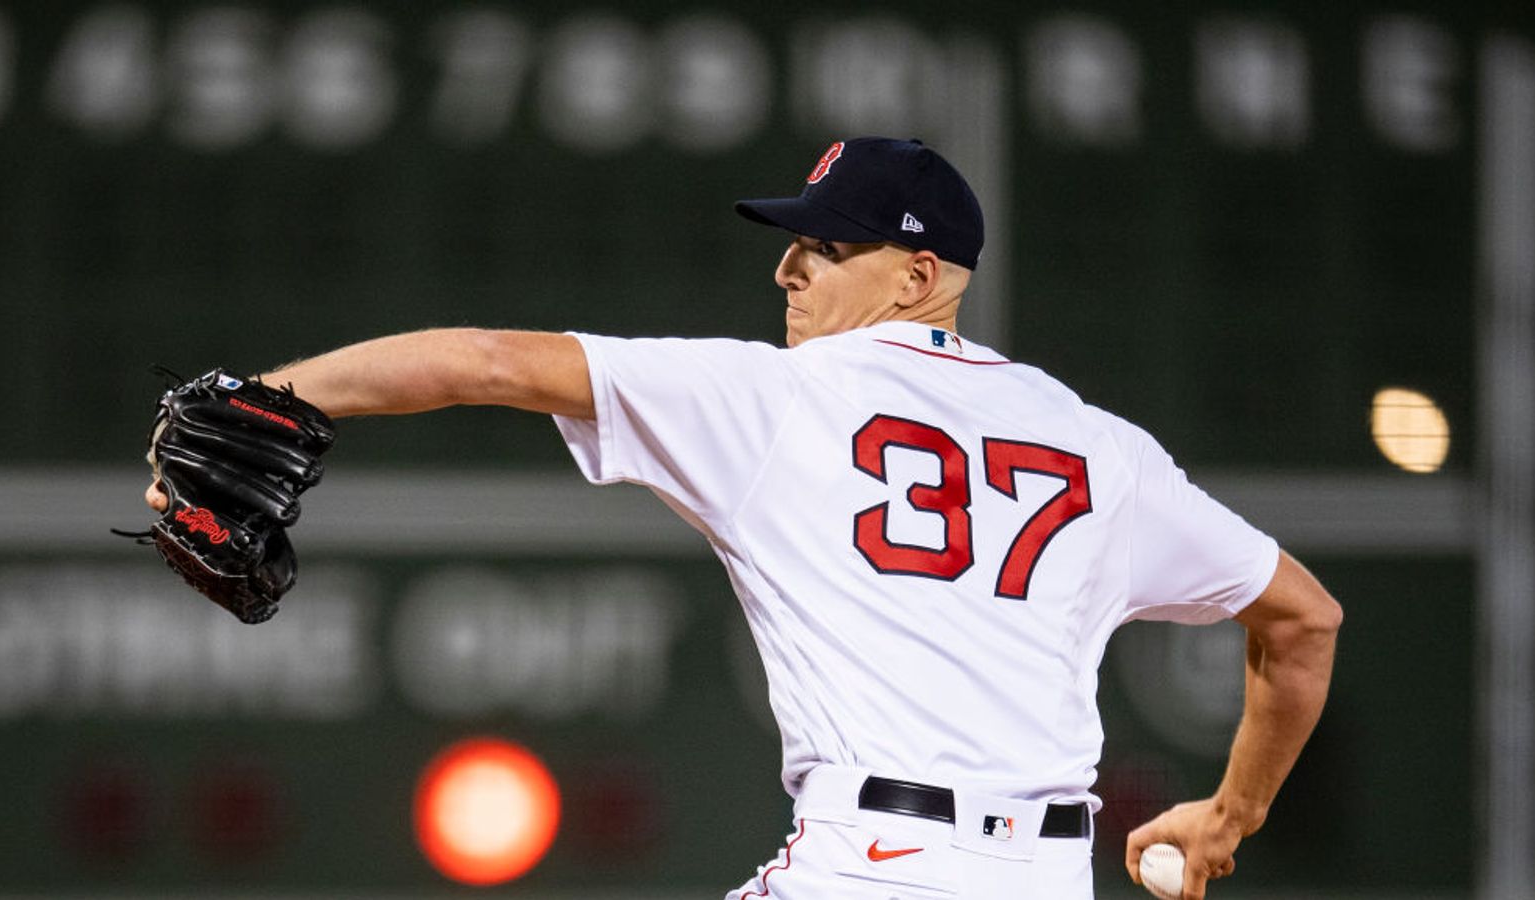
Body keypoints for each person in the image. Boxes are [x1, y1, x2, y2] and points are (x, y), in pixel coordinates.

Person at [143, 137, 1340, 899]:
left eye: (822, 248)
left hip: (868, 870)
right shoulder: (1101, 449)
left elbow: (491, 359)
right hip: (1041, 876)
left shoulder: (780, 401)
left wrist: (275, 396)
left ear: (919, 279)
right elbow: (1303, 623)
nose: (786, 272)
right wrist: (1229, 816)